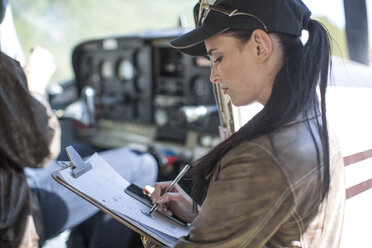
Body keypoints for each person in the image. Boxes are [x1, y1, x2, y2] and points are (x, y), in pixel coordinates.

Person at [144, 0, 345, 247]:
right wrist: (202, 216)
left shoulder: (263, 155)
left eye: (217, 58)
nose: (213, 76)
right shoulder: (314, 123)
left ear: (260, 46)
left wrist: (146, 233)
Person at [0, 2, 158, 247]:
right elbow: (38, 151)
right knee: (142, 164)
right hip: (13, 217)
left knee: (84, 153)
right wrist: (34, 88)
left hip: (10, 185)